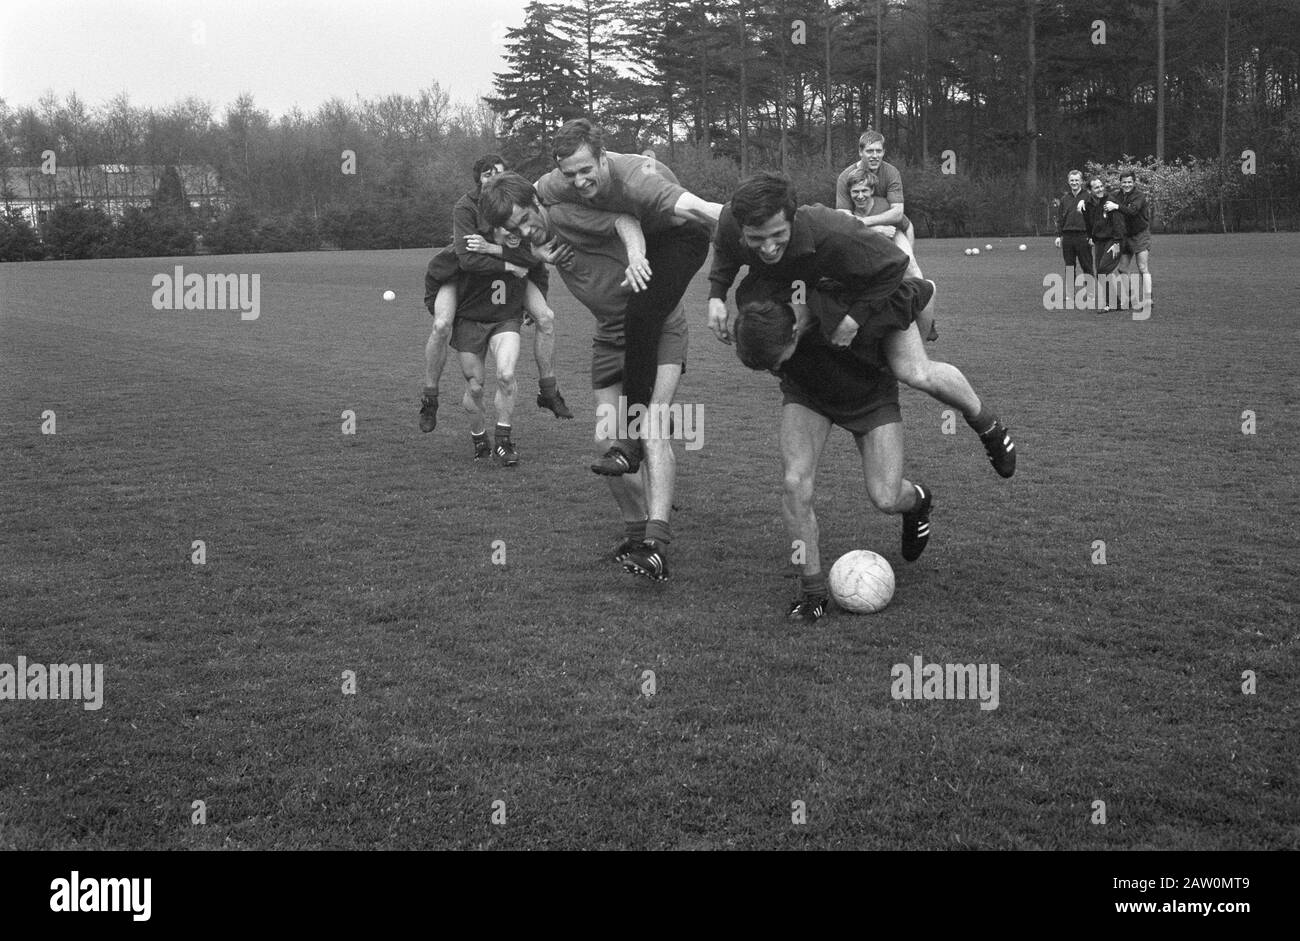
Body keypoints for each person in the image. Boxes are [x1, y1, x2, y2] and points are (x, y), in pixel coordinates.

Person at [483, 124, 722, 581]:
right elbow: (517, 252)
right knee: (605, 441)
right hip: (608, 337)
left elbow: (625, 220)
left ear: (536, 203)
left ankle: (656, 544)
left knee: (650, 426)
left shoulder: (562, 213)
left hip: (656, 329)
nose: (524, 230)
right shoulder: (529, 232)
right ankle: (634, 534)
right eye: (513, 228)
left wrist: (636, 257)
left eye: (525, 218)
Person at [707, 172, 1016, 480]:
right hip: (815, 292)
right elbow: (723, 247)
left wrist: (853, 320)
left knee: (913, 371)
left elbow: (894, 266)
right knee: (760, 312)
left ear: (792, 220)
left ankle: (986, 423)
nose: (768, 248)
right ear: (741, 227)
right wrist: (716, 295)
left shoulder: (834, 230)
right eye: (756, 239)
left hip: (869, 292)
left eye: (777, 235)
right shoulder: (731, 221)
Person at [732, 293, 932, 622]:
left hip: (870, 394)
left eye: (775, 362)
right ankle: (813, 592)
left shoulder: (836, 291)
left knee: (886, 496)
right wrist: (716, 291)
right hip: (809, 395)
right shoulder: (770, 304)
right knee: (795, 482)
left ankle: (918, 501)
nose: (775, 370)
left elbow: (918, 290)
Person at [419, 154, 572, 436]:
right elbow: (467, 259)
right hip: (457, 275)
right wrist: (511, 263)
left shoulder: (517, 206)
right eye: (488, 175)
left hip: (504, 277)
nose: (495, 179)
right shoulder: (466, 208)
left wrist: (498, 252)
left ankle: (549, 391)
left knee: (546, 317)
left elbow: (534, 257)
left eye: (500, 173)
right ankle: (430, 397)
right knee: (441, 325)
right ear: (478, 181)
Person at [835, 130, 915, 247]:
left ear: (884, 152)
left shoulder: (891, 173)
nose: (874, 156)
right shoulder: (845, 177)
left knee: (909, 263)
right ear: (860, 152)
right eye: (869, 151)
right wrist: (876, 229)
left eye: (878, 151)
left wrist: (864, 222)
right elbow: (843, 218)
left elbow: (897, 213)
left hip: (890, 229)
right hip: (856, 233)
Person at [1082, 176, 1127, 312]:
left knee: (1103, 269)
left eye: (1101, 186)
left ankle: (1110, 304)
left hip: (1114, 240)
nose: (1100, 189)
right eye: (1096, 187)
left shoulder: (1110, 202)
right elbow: (1088, 223)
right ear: (1090, 190)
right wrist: (1090, 236)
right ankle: (1115, 304)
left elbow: (1119, 223)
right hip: (1099, 241)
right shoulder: (1088, 204)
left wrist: (1117, 243)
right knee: (1101, 273)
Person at [1115, 170, 1153, 313]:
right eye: (1124, 182)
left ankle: (1149, 299)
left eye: (1129, 182)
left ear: (1134, 182)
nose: (1127, 184)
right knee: (1122, 268)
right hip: (1125, 236)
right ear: (1120, 183)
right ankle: (1131, 298)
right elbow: (1102, 199)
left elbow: (1132, 211)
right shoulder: (1116, 196)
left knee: (1142, 267)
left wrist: (1117, 207)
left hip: (1140, 234)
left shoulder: (1139, 196)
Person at [1054, 169, 1093, 281]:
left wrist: (1092, 236)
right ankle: (1070, 296)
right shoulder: (1065, 199)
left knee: (1087, 266)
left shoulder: (1088, 197)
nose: (1074, 182)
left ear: (1081, 182)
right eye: (1072, 180)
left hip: (1083, 236)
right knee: (1069, 267)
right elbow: (1061, 218)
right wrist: (1058, 235)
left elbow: (1093, 218)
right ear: (1068, 181)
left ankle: (1090, 295)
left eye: (1077, 180)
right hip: (1068, 237)